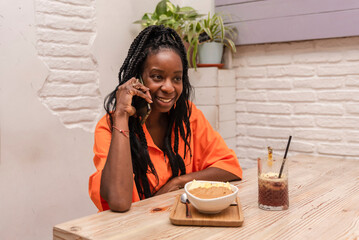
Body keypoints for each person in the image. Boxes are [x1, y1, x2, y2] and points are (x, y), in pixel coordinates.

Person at [89, 25, 242, 212]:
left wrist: (177, 182)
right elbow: (119, 202)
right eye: (157, 76)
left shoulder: (187, 115)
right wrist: (121, 115)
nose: (169, 87)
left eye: (177, 78)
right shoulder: (108, 127)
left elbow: (230, 168)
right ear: (138, 78)